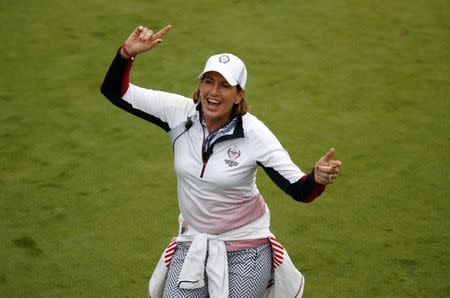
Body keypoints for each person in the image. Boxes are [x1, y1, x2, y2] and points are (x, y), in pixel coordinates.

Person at [100, 24, 342, 298]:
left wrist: (317, 178)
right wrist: (126, 54)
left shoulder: (254, 134)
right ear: (200, 85)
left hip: (247, 244)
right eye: (208, 81)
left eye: (225, 85)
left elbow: (300, 189)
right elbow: (115, 92)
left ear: (239, 95)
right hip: (194, 241)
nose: (213, 92)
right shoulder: (178, 113)